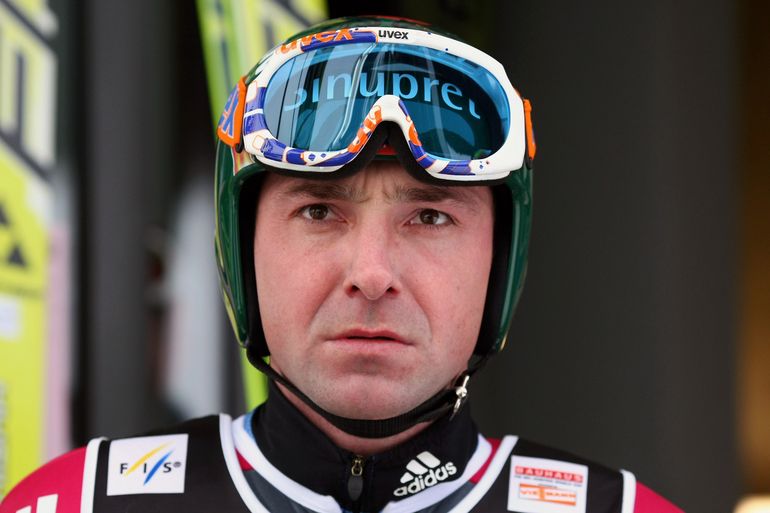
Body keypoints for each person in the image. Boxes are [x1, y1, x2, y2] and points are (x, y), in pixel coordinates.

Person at [0, 16, 683, 513]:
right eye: (320, 211)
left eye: (430, 216)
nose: (372, 272)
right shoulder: (71, 502)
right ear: (241, 247)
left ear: (499, 261)